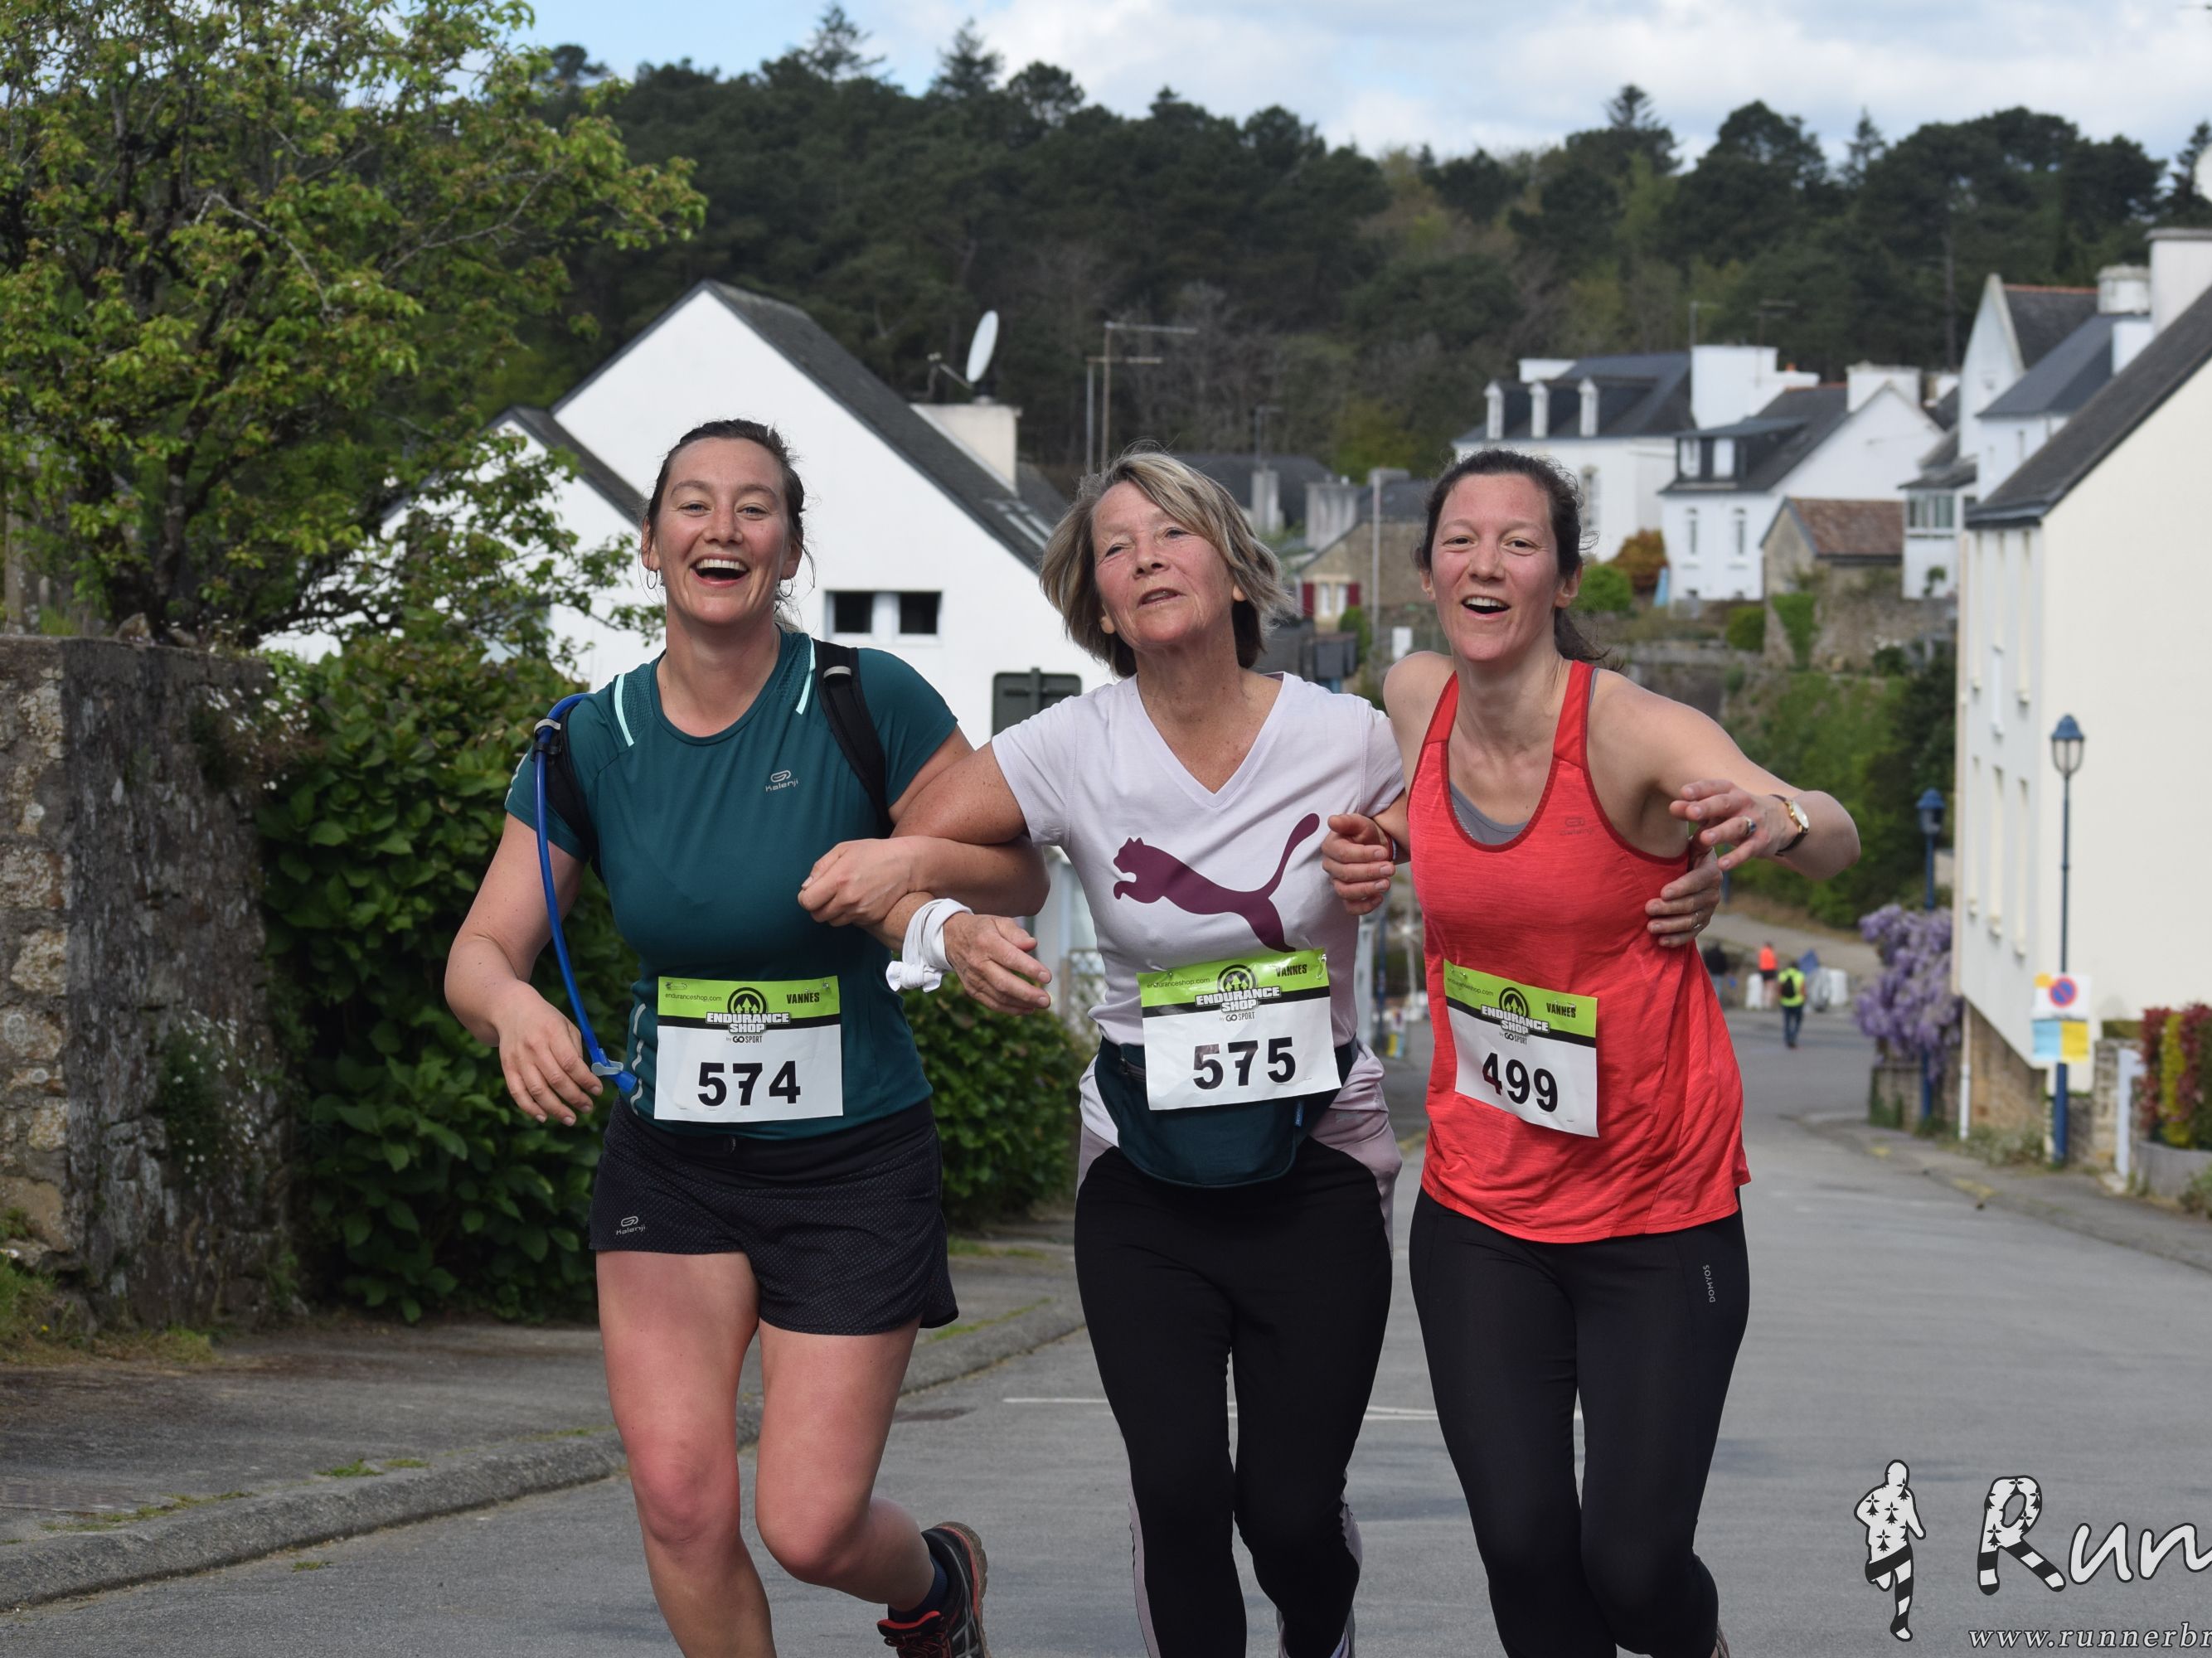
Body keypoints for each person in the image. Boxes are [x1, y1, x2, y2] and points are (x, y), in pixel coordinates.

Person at [816, 450, 1726, 1658]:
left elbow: (1530, 807)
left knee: (1290, 1513)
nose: (1146, 558)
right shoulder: (1066, 746)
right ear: (1097, 603)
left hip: (1319, 1170)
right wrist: (944, 918)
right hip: (1142, 1172)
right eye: (1117, 548)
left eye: (1173, 534)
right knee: (1178, 1492)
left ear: (1237, 570)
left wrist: (1693, 866)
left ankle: (1320, 1625)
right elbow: (889, 855)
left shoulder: (1353, 736)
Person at [444, 419, 1049, 1658]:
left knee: (811, 1526)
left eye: (754, 507)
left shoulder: (863, 699)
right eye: (694, 504)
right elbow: (481, 950)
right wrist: (512, 1006)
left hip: (852, 1162)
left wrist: (908, 869)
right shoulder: (587, 738)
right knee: (678, 1500)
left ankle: (936, 1583)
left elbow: (1016, 870)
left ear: (790, 547)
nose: (722, 529)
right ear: (651, 540)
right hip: (672, 1159)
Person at [1322, 448, 1858, 1658]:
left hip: (1655, 1217)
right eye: (1461, 540)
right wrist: (1385, 840)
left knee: (1633, 1567)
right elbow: (1441, 819)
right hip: (1483, 1208)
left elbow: (1835, 833)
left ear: (1562, 579)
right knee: (1523, 1551)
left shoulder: (1633, 733)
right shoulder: (1416, 695)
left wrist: (1767, 821)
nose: (1486, 563)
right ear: (1427, 570)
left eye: (1520, 543)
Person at [1778, 960, 1807, 1049]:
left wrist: (1780, 999)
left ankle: (1788, 1039)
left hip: (1785, 1002)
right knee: (1797, 1022)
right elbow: (1802, 990)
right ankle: (1793, 1038)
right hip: (1797, 1002)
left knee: (1787, 1022)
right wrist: (1804, 999)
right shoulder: (1800, 975)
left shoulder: (1783, 975)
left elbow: (1780, 989)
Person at [1756, 939, 1779, 1007]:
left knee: (1763, 987)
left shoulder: (1761, 951)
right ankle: (1768, 1004)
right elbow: (1776, 961)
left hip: (1763, 970)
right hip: (1771, 970)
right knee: (1770, 988)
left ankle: (1762, 1003)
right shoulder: (1773, 952)